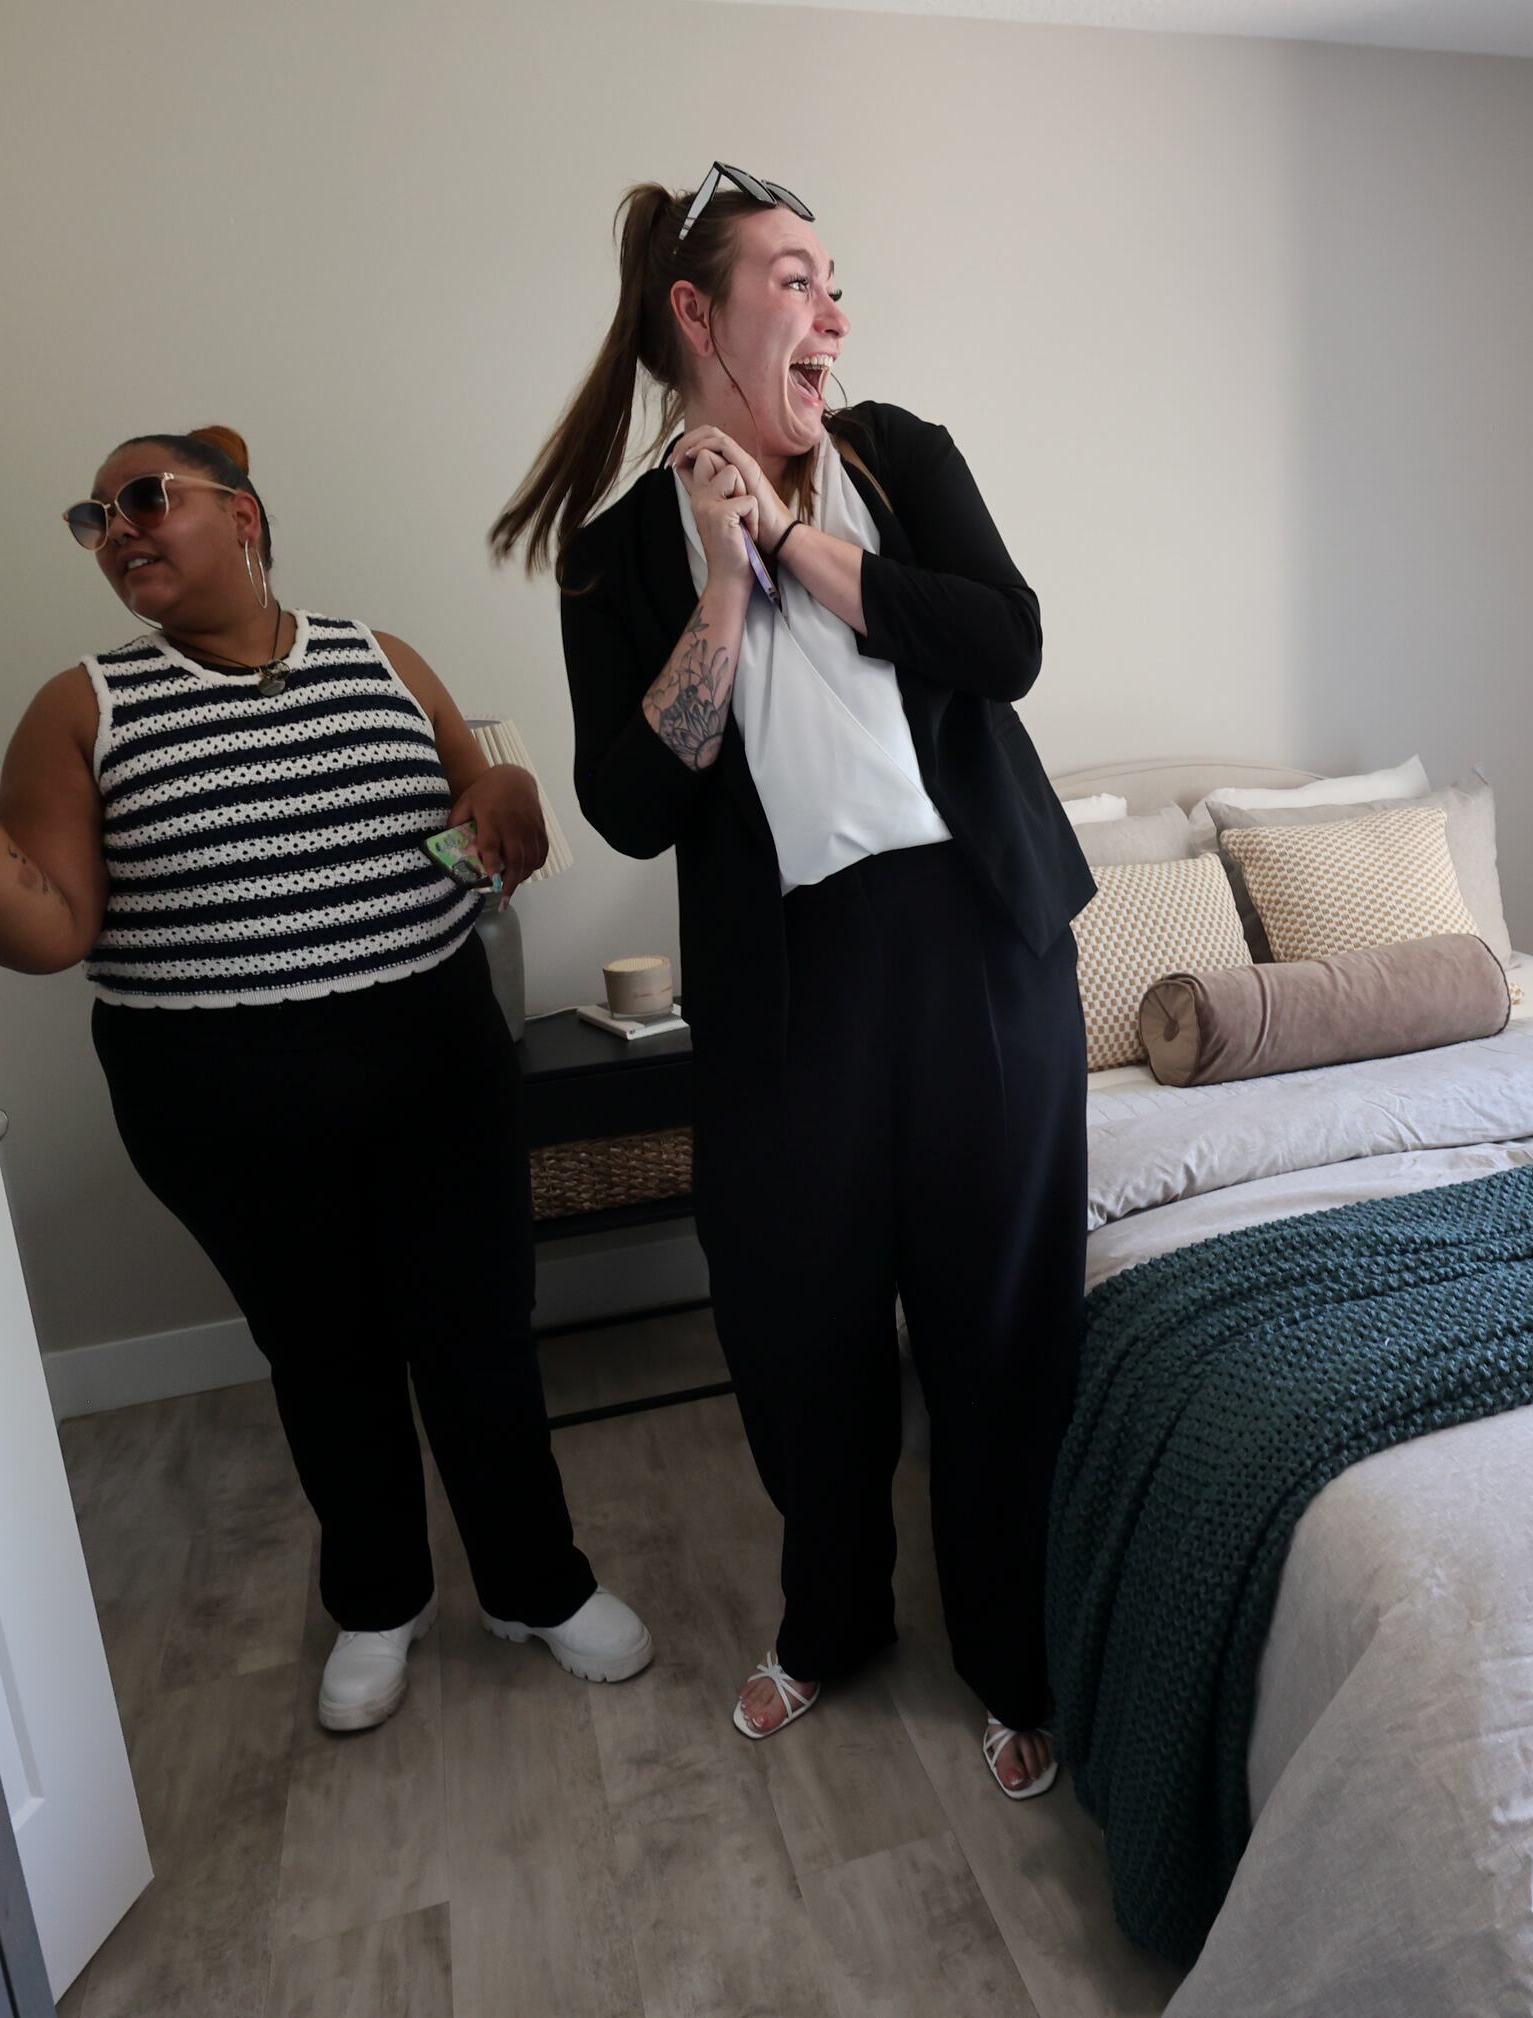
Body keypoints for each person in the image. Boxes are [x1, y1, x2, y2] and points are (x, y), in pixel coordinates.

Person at [0, 425, 650, 1733]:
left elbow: (479, 819)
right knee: (323, 1351)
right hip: (218, 1093)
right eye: (93, 516)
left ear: (242, 515)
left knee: (478, 1337)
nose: (116, 528)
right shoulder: (85, 705)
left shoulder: (382, 657)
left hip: (433, 1059)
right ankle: (380, 1598)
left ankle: (537, 1583)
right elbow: (48, 927)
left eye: (144, 498)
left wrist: (503, 779)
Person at [491, 168, 1094, 1798]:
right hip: (785, 988)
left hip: (983, 945)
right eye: (799, 279)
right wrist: (723, 578)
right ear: (699, 312)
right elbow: (631, 798)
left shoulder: (899, 460)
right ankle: (830, 1621)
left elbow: (1004, 644)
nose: (834, 313)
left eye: (838, 284)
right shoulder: (615, 562)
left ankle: (1008, 1652)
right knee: (796, 1327)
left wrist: (795, 538)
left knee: (997, 1329)